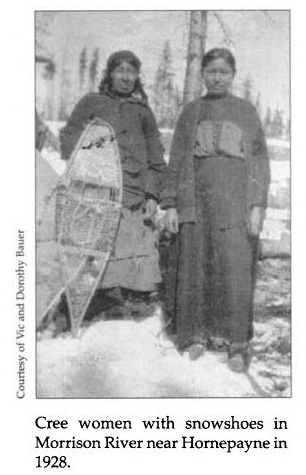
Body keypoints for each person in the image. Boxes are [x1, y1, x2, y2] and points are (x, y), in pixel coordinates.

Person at [161, 48, 270, 372]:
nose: (217, 77)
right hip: (196, 198)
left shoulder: (246, 112)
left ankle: (235, 342)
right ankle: (195, 335)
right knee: (195, 266)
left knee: (235, 268)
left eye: (223, 72)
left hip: (234, 203)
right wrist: (170, 204)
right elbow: (178, 158)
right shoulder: (191, 111)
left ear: (232, 75)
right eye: (211, 71)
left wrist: (256, 205)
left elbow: (259, 162)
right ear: (203, 75)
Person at [60, 50, 165, 317]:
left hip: (131, 192)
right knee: (90, 245)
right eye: (120, 71)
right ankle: (83, 302)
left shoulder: (143, 112)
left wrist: (152, 196)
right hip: (94, 187)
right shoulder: (92, 102)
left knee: (128, 246)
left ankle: (119, 298)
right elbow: (69, 135)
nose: (126, 77)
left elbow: (156, 158)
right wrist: (91, 155)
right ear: (109, 74)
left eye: (131, 72)